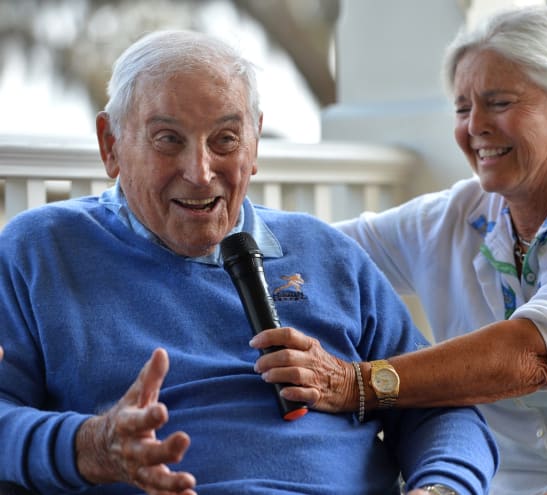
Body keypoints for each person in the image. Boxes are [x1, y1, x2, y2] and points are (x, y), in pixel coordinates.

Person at [0, 29, 498, 495]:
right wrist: (89, 444)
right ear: (111, 145)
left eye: (225, 140)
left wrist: (440, 487)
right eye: (168, 139)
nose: (200, 173)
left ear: (255, 143)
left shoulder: (328, 254)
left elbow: (436, 408)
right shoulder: (40, 251)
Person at [248, 5, 547, 495]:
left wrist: (356, 383)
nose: (475, 127)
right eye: (463, 109)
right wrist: (186, 207)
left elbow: (534, 353)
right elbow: (316, 250)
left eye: (500, 103)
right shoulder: (450, 217)